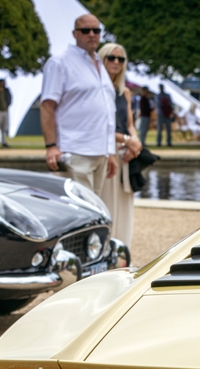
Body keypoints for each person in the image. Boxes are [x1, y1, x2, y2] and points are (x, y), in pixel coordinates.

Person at [40, 14, 117, 195]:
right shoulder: (60, 63)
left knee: (95, 207)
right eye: (85, 30)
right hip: (75, 149)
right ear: (75, 34)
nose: (92, 34)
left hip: (100, 151)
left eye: (96, 30)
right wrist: (51, 146)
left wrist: (110, 151)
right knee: (80, 208)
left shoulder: (99, 63)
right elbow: (47, 106)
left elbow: (106, 109)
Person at [97, 43, 142, 248]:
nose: (116, 62)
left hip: (126, 150)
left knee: (125, 202)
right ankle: (104, 246)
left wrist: (135, 143)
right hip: (107, 147)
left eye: (120, 59)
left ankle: (123, 247)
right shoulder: (96, 89)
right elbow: (98, 126)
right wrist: (126, 140)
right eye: (111, 57)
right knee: (106, 200)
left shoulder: (124, 92)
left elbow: (130, 124)